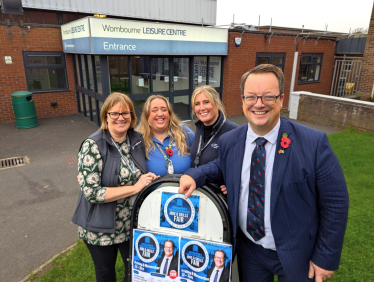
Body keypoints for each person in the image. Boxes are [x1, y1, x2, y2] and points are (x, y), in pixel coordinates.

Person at [178, 64, 349, 282]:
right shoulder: (231, 140)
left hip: (298, 253)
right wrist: (195, 175)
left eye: (268, 96)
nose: (259, 104)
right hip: (250, 250)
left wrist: (325, 257)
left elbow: (335, 202)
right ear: (242, 100)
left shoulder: (313, 144)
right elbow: (222, 165)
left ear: (281, 99)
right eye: (251, 97)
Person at [72, 93, 158, 282]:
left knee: (135, 272)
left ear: (131, 116)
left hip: (130, 224)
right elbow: (92, 193)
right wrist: (135, 188)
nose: (121, 117)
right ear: (106, 116)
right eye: (115, 113)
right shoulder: (93, 145)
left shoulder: (136, 139)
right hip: (100, 228)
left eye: (125, 113)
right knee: (106, 274)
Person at [190, 86, 238, 193]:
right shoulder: (199, 128)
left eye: (206, 102)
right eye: (197, 104)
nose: (201, 108)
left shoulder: (233, 131)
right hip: (199, 193)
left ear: (216, 103)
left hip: (219, 198)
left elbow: (242, 166)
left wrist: (233, 183)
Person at [137, 95, 194, 176]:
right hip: (154, 188)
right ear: (147, 115)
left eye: (164, 110)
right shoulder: (138, 139)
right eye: (154, 110)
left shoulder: (184, 132)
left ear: (169, 114)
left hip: (185, 188)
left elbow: (201, 159)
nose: (160, 114)